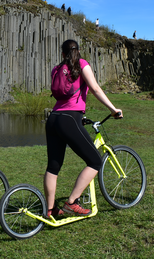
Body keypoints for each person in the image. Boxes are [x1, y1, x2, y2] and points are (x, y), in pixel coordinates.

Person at [44, 39, 122, 217]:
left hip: (53, 118)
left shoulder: (56, 69)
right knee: (95, 161)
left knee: (53, 167)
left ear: (62, 54)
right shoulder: (81, 64)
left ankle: (50, 210)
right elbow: (95, 88)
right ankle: (72, 202)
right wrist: (113, 109)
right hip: (69, 119)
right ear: (78, 51)